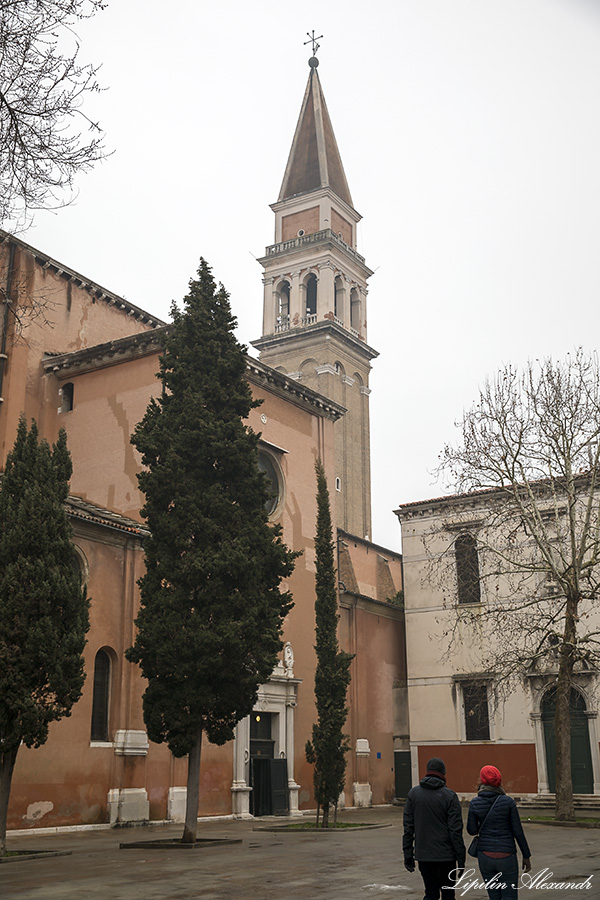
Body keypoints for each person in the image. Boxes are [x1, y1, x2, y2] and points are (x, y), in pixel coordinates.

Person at [403, 757, 466, 900]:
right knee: (448, 894)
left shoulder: (413, 794)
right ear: (443, 773)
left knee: (430, 893)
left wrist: (408, 854)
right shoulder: (450, 796)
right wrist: (461, 858)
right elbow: (455, 830)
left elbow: (408, 828)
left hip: (424, 855)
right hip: (446, 856)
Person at [467, 765, 532, 900]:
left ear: (482, 780)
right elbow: (518, 831)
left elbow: (471, 830)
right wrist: (526, 855)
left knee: (494, 896)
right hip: (507, 855)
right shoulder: (508, 802)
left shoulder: (475, 803)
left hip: (485, 855)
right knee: (510, 896)